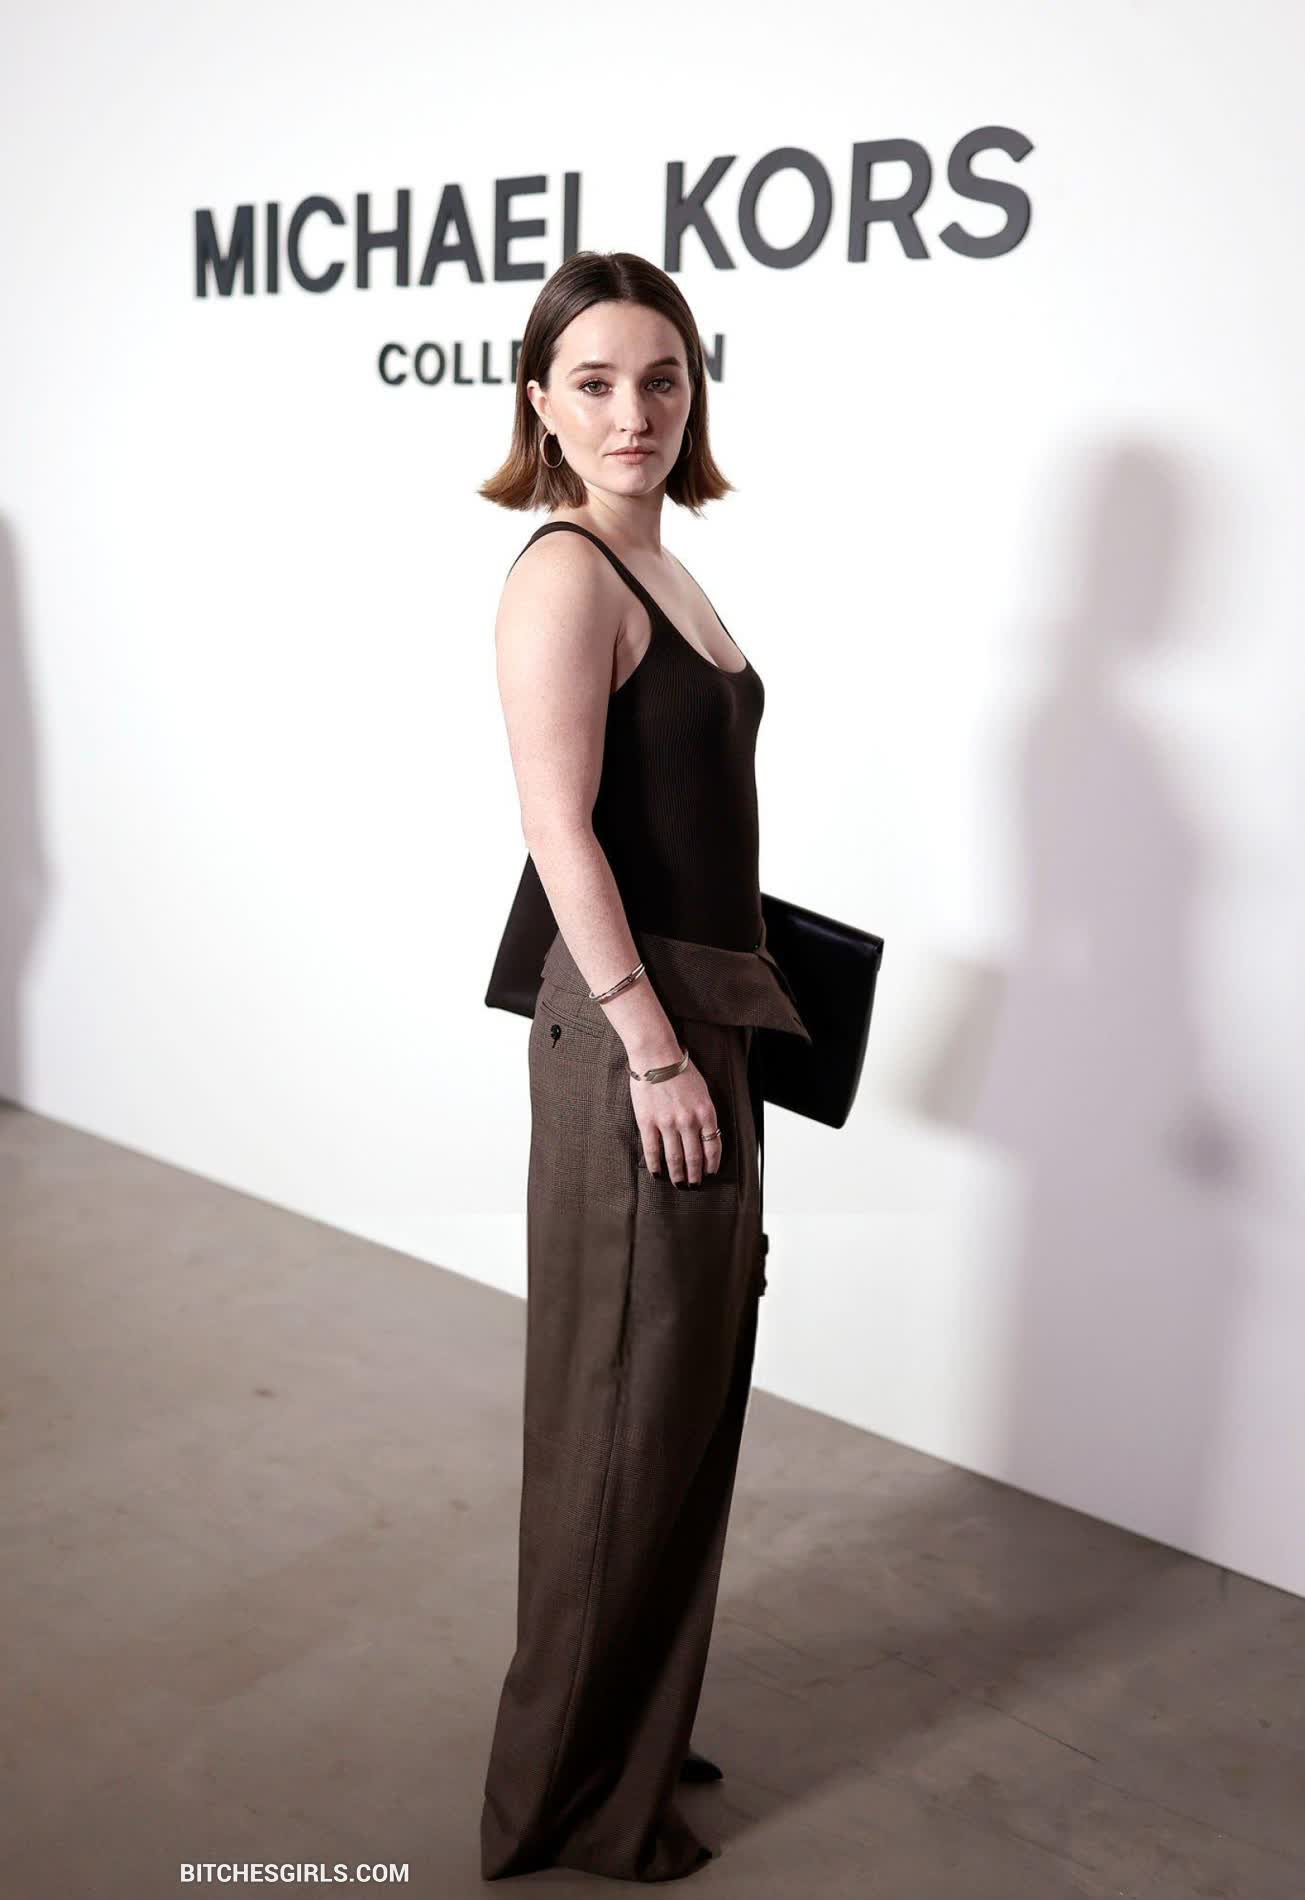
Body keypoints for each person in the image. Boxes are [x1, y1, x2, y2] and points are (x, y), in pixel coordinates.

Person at [477, 250, 811, 1883]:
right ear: (538, 400)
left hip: (702, 1020)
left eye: (662, 379)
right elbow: (560, 831)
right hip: (636, 1037)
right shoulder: (563, 575)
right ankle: (567, 1803)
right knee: (618, 1415)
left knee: (679, 1400)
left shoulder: (662, 563)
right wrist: (653, 1053)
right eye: (597, 381)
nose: (634, 411)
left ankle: (633, 1721)